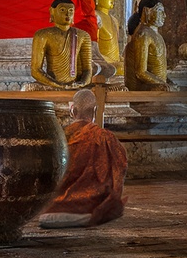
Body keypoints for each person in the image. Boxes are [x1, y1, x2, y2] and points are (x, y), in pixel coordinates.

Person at [39, 89, 127, 229]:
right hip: (91, 212)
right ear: (96, 110)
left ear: (72, 111)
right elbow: (120, 168)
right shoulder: (106, 138)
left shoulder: (59, 137)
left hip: (49, 214)